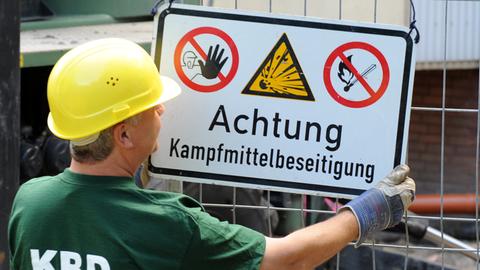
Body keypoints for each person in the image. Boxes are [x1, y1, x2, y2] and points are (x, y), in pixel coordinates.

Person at [8, 38, 415, 270]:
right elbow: (285, 260)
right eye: (152, 107)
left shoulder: (29, 203)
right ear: (125, 135)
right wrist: (365, 213)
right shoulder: (166, 222)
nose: (163, 110)